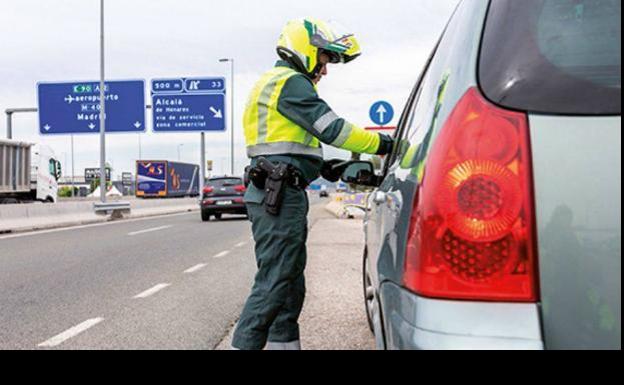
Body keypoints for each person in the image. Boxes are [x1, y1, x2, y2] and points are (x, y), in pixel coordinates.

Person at [232, 18, 394, 350]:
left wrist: (324, 167)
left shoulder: (275, 83)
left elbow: (286, 147)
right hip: (277, 194)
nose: (326, 69)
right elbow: (334, 129)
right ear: (305, 50)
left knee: (289, 287)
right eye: (324, 58)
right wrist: (387, 144)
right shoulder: (291, 83)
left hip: (277, 189)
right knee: (275, 282)